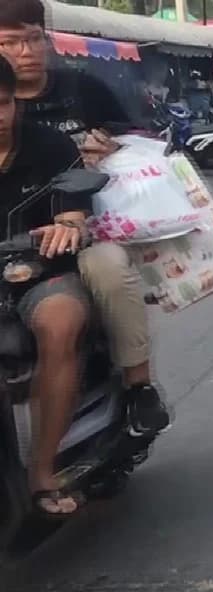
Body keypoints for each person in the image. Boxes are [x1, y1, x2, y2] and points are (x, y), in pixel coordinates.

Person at [0, 0, 169, 437]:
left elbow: (141, 136)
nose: (25, 51)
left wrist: (114, 147)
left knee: (109, 268)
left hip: (85, 224)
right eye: (11, 42)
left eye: (33, 38)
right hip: (9, 238)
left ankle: (138, 387)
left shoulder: (82, 88)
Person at [0, 56, 94, 515]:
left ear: (14, 100)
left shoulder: (51, 146)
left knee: (61, 321)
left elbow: (73, 209)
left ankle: (41, 470)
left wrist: (66, 227)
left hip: (37, 273)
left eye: (0, 104)